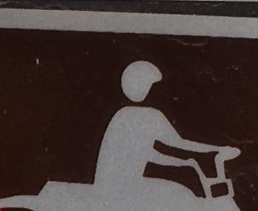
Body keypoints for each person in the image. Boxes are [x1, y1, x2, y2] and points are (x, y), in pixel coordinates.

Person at [91, 60, 231, 199]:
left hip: (111, 185)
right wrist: (215, 150)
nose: (154, 91)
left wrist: (185, 162)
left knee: (186, 178)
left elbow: (142, 156)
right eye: (151, 86)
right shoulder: (149, 115)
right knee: (179, 192)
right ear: (143, 87)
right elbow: (179, 144)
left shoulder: (122, 114)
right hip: (126, 187)